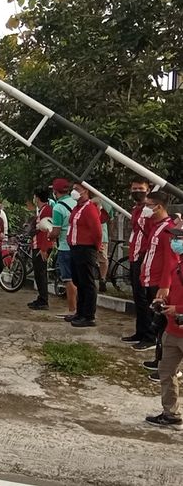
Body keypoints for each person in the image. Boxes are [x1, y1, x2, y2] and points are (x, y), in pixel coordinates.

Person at [145, 224, 183, 430]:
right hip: (171, 331)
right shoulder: (177, 266)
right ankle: (170, 414)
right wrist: (163, 301)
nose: (174, 241)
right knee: (166, 372)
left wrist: (176, 308)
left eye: (179, 238)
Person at [137, 191, 178, 354]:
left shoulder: (168, 229)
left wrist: (165, 285)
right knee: (156, 320)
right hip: (149, 278)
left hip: (158, 283)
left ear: (158, 207)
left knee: (161, 323)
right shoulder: (156, 226)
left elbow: (171, 260)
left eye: (148, 205)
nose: (145, 208)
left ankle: (161, 360)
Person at [65, 182, 103, 328]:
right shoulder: (78, 208)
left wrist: (96, 247)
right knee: (78, 281)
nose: (73, 192)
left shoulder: (89, 209)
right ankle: (80, 312)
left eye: (77, 189)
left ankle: (88, 315)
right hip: (75, 248)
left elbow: (96, 231)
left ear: (86, 191)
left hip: (86, 249)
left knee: (87, 283)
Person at [122, 178, 154, 346]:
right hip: (135, 255)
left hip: (144, 257)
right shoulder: (136, 209)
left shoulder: (150, 210)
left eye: (140, 188)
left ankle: (149, 336)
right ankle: (140, 331)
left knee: (144, 298)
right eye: (134, 188)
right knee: (137, 297)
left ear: (148, 190)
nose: (136, 191)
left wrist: (146, 257)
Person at [49, 178, 78, 319]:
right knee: (79, 279)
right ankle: (81, 309)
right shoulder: (77, 203)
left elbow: (55, 231)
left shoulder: (58, 208)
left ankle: (72, 310)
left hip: (65, 247)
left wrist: (49, 235)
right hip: (78, 246)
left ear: (55, 191)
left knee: (68, 279)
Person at [29, 188, 54, 310]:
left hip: (41, 246)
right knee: (38, 274)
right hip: (37, 245)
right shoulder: (43, 210)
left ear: (37, 198)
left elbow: (47, 230)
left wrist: (44, 248)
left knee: (41, 273)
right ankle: (41, 297)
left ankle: (44, 300)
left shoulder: (46, 211)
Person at [92, 197, 114, 293]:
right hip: (102, 235)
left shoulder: (89, 201)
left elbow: (110, 217)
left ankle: (101, 280)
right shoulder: (107, 202)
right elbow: (111, 218)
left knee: (95, 258)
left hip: (95, 235)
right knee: (103, 259)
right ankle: (102, 279)